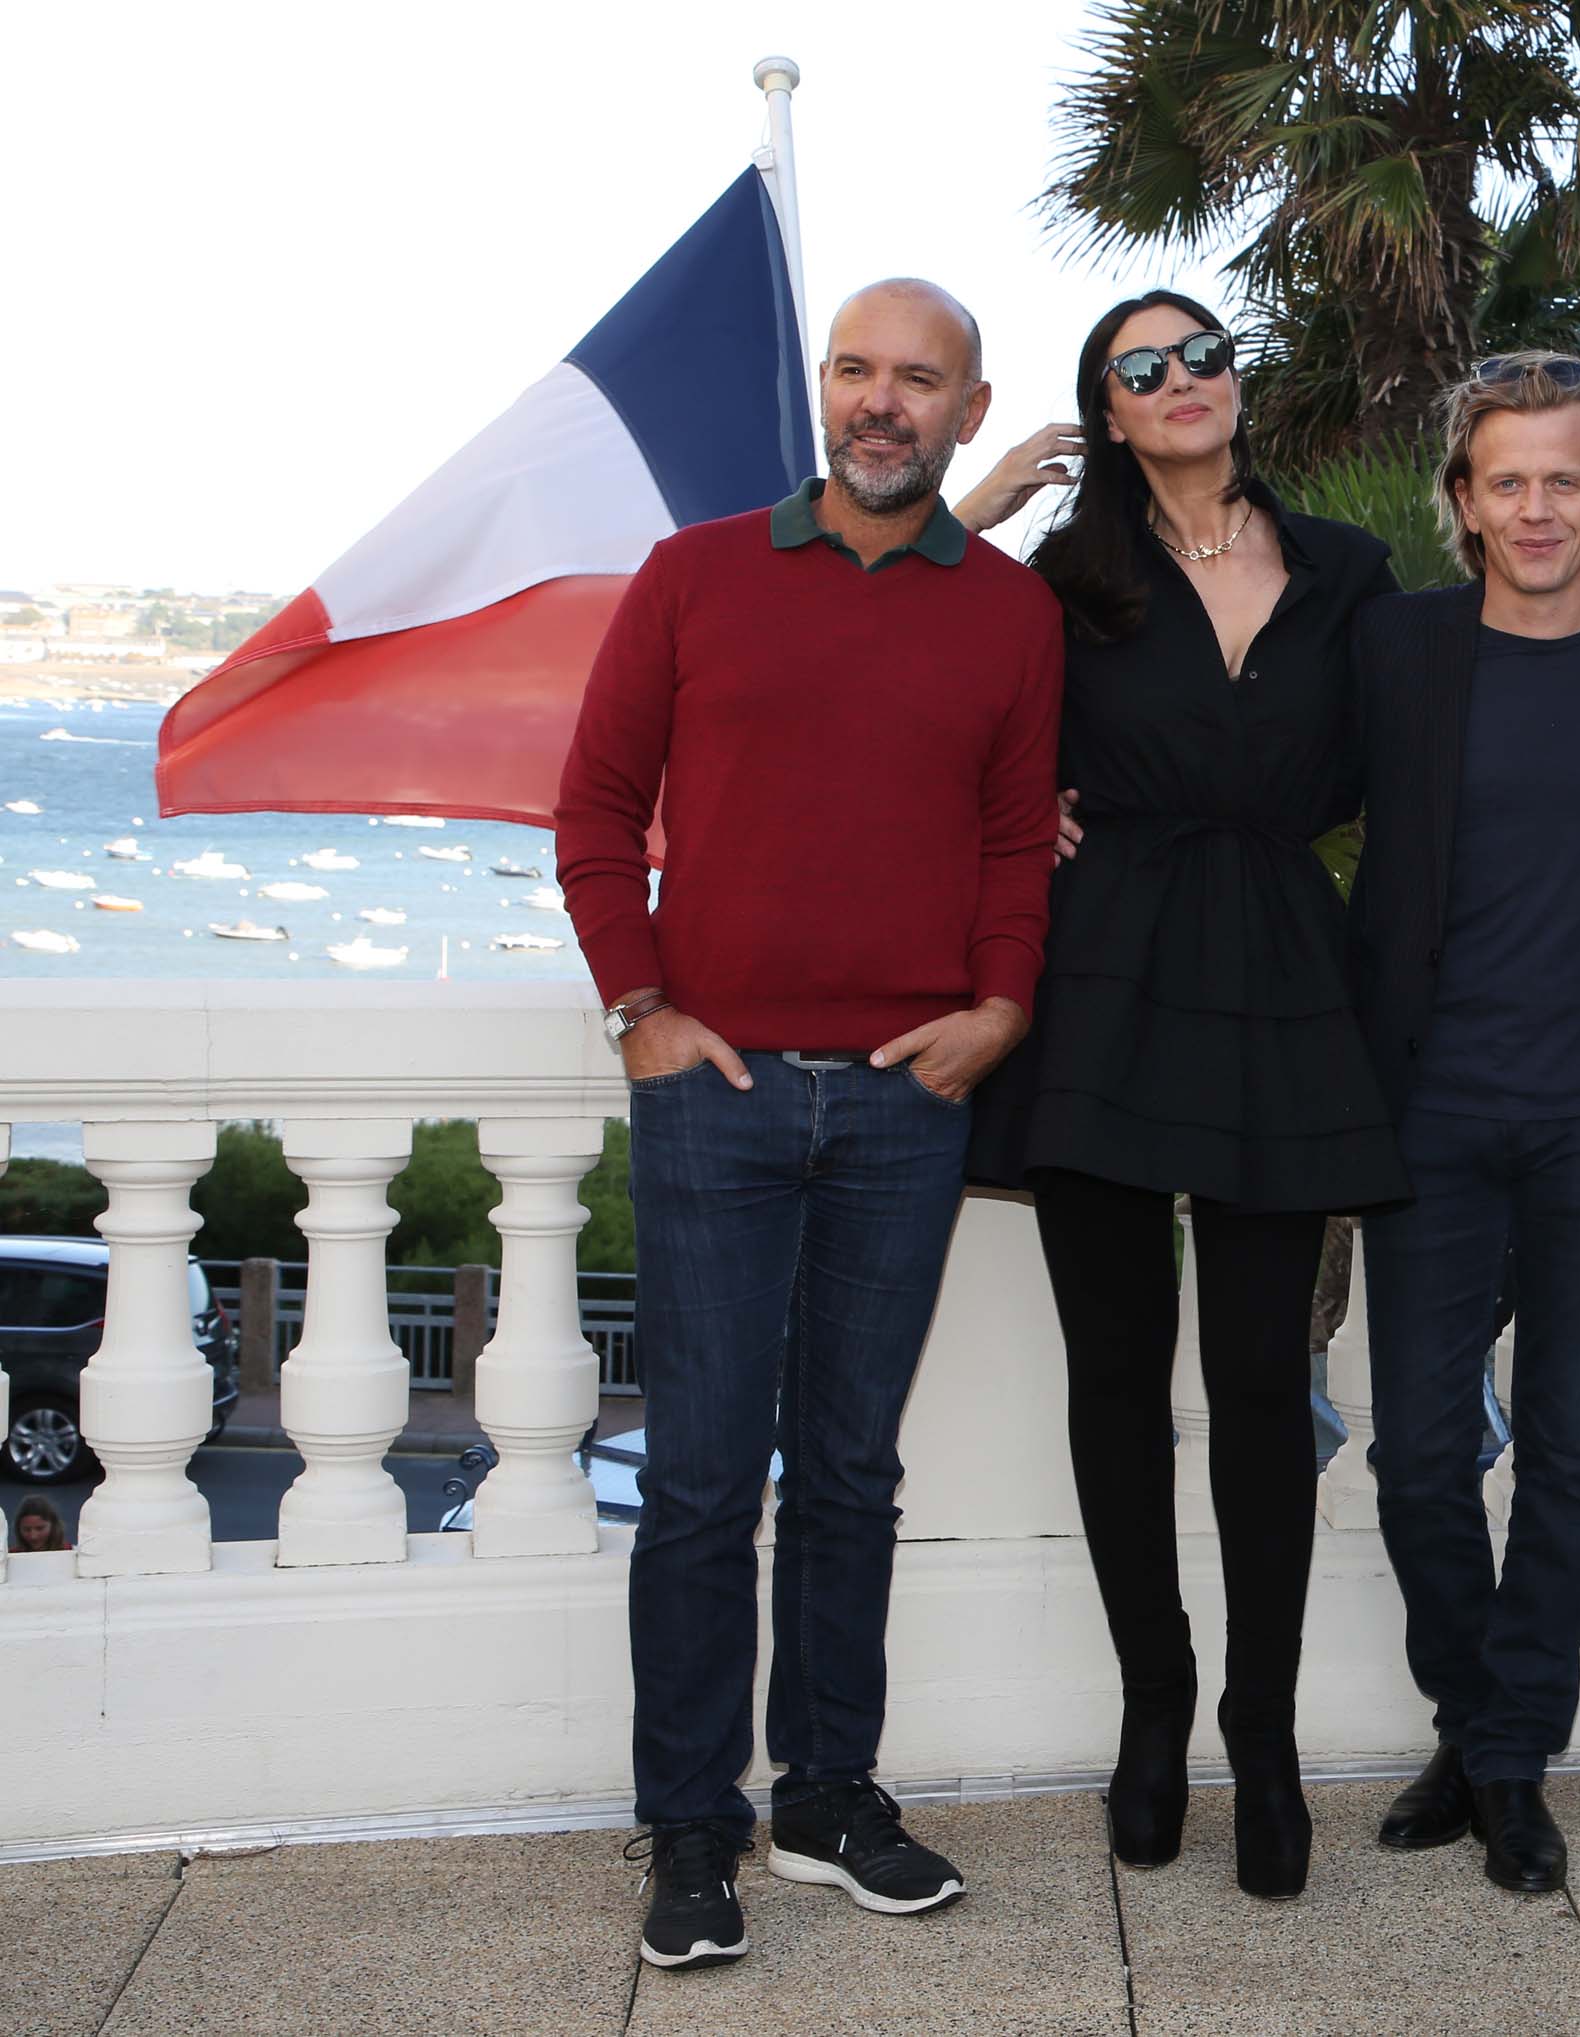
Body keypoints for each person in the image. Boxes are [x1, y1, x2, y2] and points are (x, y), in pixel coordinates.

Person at [947, 298, 1580, 1902]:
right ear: (1106, 407)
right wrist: (975, 515)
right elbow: (926, 685)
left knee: (1267, 1395)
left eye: (1199, 352)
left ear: (1234, 383)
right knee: (1118, 1384)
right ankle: (1156, 1712)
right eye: (1138, 368)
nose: (1178, 381)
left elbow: (1499, 645)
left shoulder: (1355, 580)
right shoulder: (1060, 582)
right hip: (1108, 987)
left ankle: (1262, 1734)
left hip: (1286, 987)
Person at [556, 278, 1064, 1971]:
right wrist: (643, 1005)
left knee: (850, 1468)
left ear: (969, 414)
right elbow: (596, 808)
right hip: (718, 1095)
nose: (883, 401)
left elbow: (1013, 841)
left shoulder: (1007, 613)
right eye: (857, 369)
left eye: (921, 380)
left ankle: (828, 1795)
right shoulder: (696, 573)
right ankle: (691, 1823)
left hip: (909, 1104)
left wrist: (998, 1011)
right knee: (701, 1478)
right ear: (823, 389)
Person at [1348, 351, 1580, 1895]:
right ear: (1464, 498)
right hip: (1428, 1105)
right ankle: (1481, 1720)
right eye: (1508, 480)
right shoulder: (1400, 648)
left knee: (1572, 1450)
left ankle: (1508, 1755)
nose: (1539, 507)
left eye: (1566, 479)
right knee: (1421, 1456)